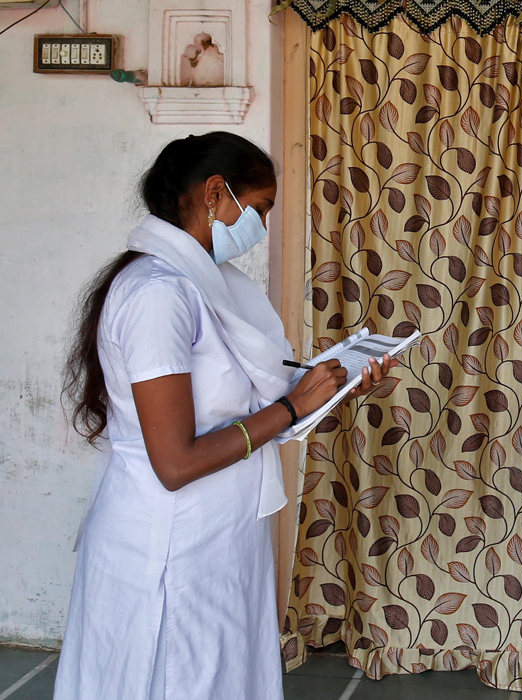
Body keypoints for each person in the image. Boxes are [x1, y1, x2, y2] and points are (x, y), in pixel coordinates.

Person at [55, 132, 398, 700]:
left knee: (222, 673)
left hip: (222, 533)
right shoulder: (157, 294)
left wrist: (332, 385)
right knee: (174, 678)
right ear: (216, 194)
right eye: (259, 208)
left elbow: (246, 401)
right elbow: (175, 462)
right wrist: (294, 404)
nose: (262, 226)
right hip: (168, 542)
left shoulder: (212, 286)